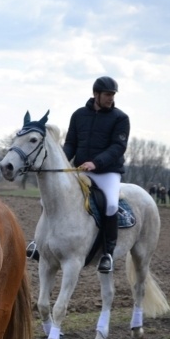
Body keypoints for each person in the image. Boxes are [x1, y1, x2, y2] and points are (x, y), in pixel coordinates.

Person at [63, 76, 130, 273]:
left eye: (112, 95)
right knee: (54, 196)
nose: (111, 98)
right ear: (96, 94)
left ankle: (108, 253)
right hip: (81, 171)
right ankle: (40, 244)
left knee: (110, 203)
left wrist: (96, 162)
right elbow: (70, 143)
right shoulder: (78, 115)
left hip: (107, 172)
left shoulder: (120, 118)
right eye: (108, 94)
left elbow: (118, 147)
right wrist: (63, 161)